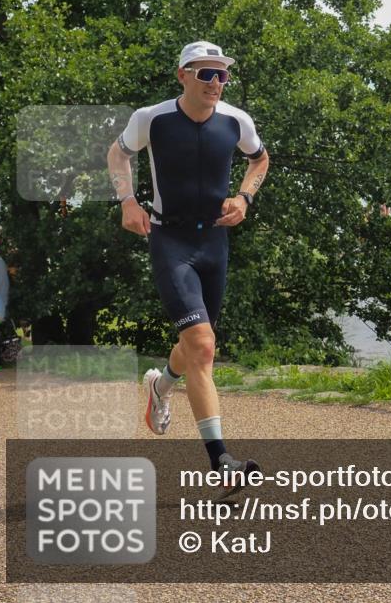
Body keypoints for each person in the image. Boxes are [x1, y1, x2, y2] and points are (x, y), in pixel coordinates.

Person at [107, 41, 269, 496]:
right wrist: (127, 201)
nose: (216, 83)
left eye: (223, 75)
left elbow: (259, 159)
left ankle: (161, 385)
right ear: (182, 75)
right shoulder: (151, 119)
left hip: (214, 242)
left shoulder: (237, 121)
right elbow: (118, 154)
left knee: (199, 347)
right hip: (170, 240)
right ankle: (223, 463)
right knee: (201, 344)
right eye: (206, 74)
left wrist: (244, 197)